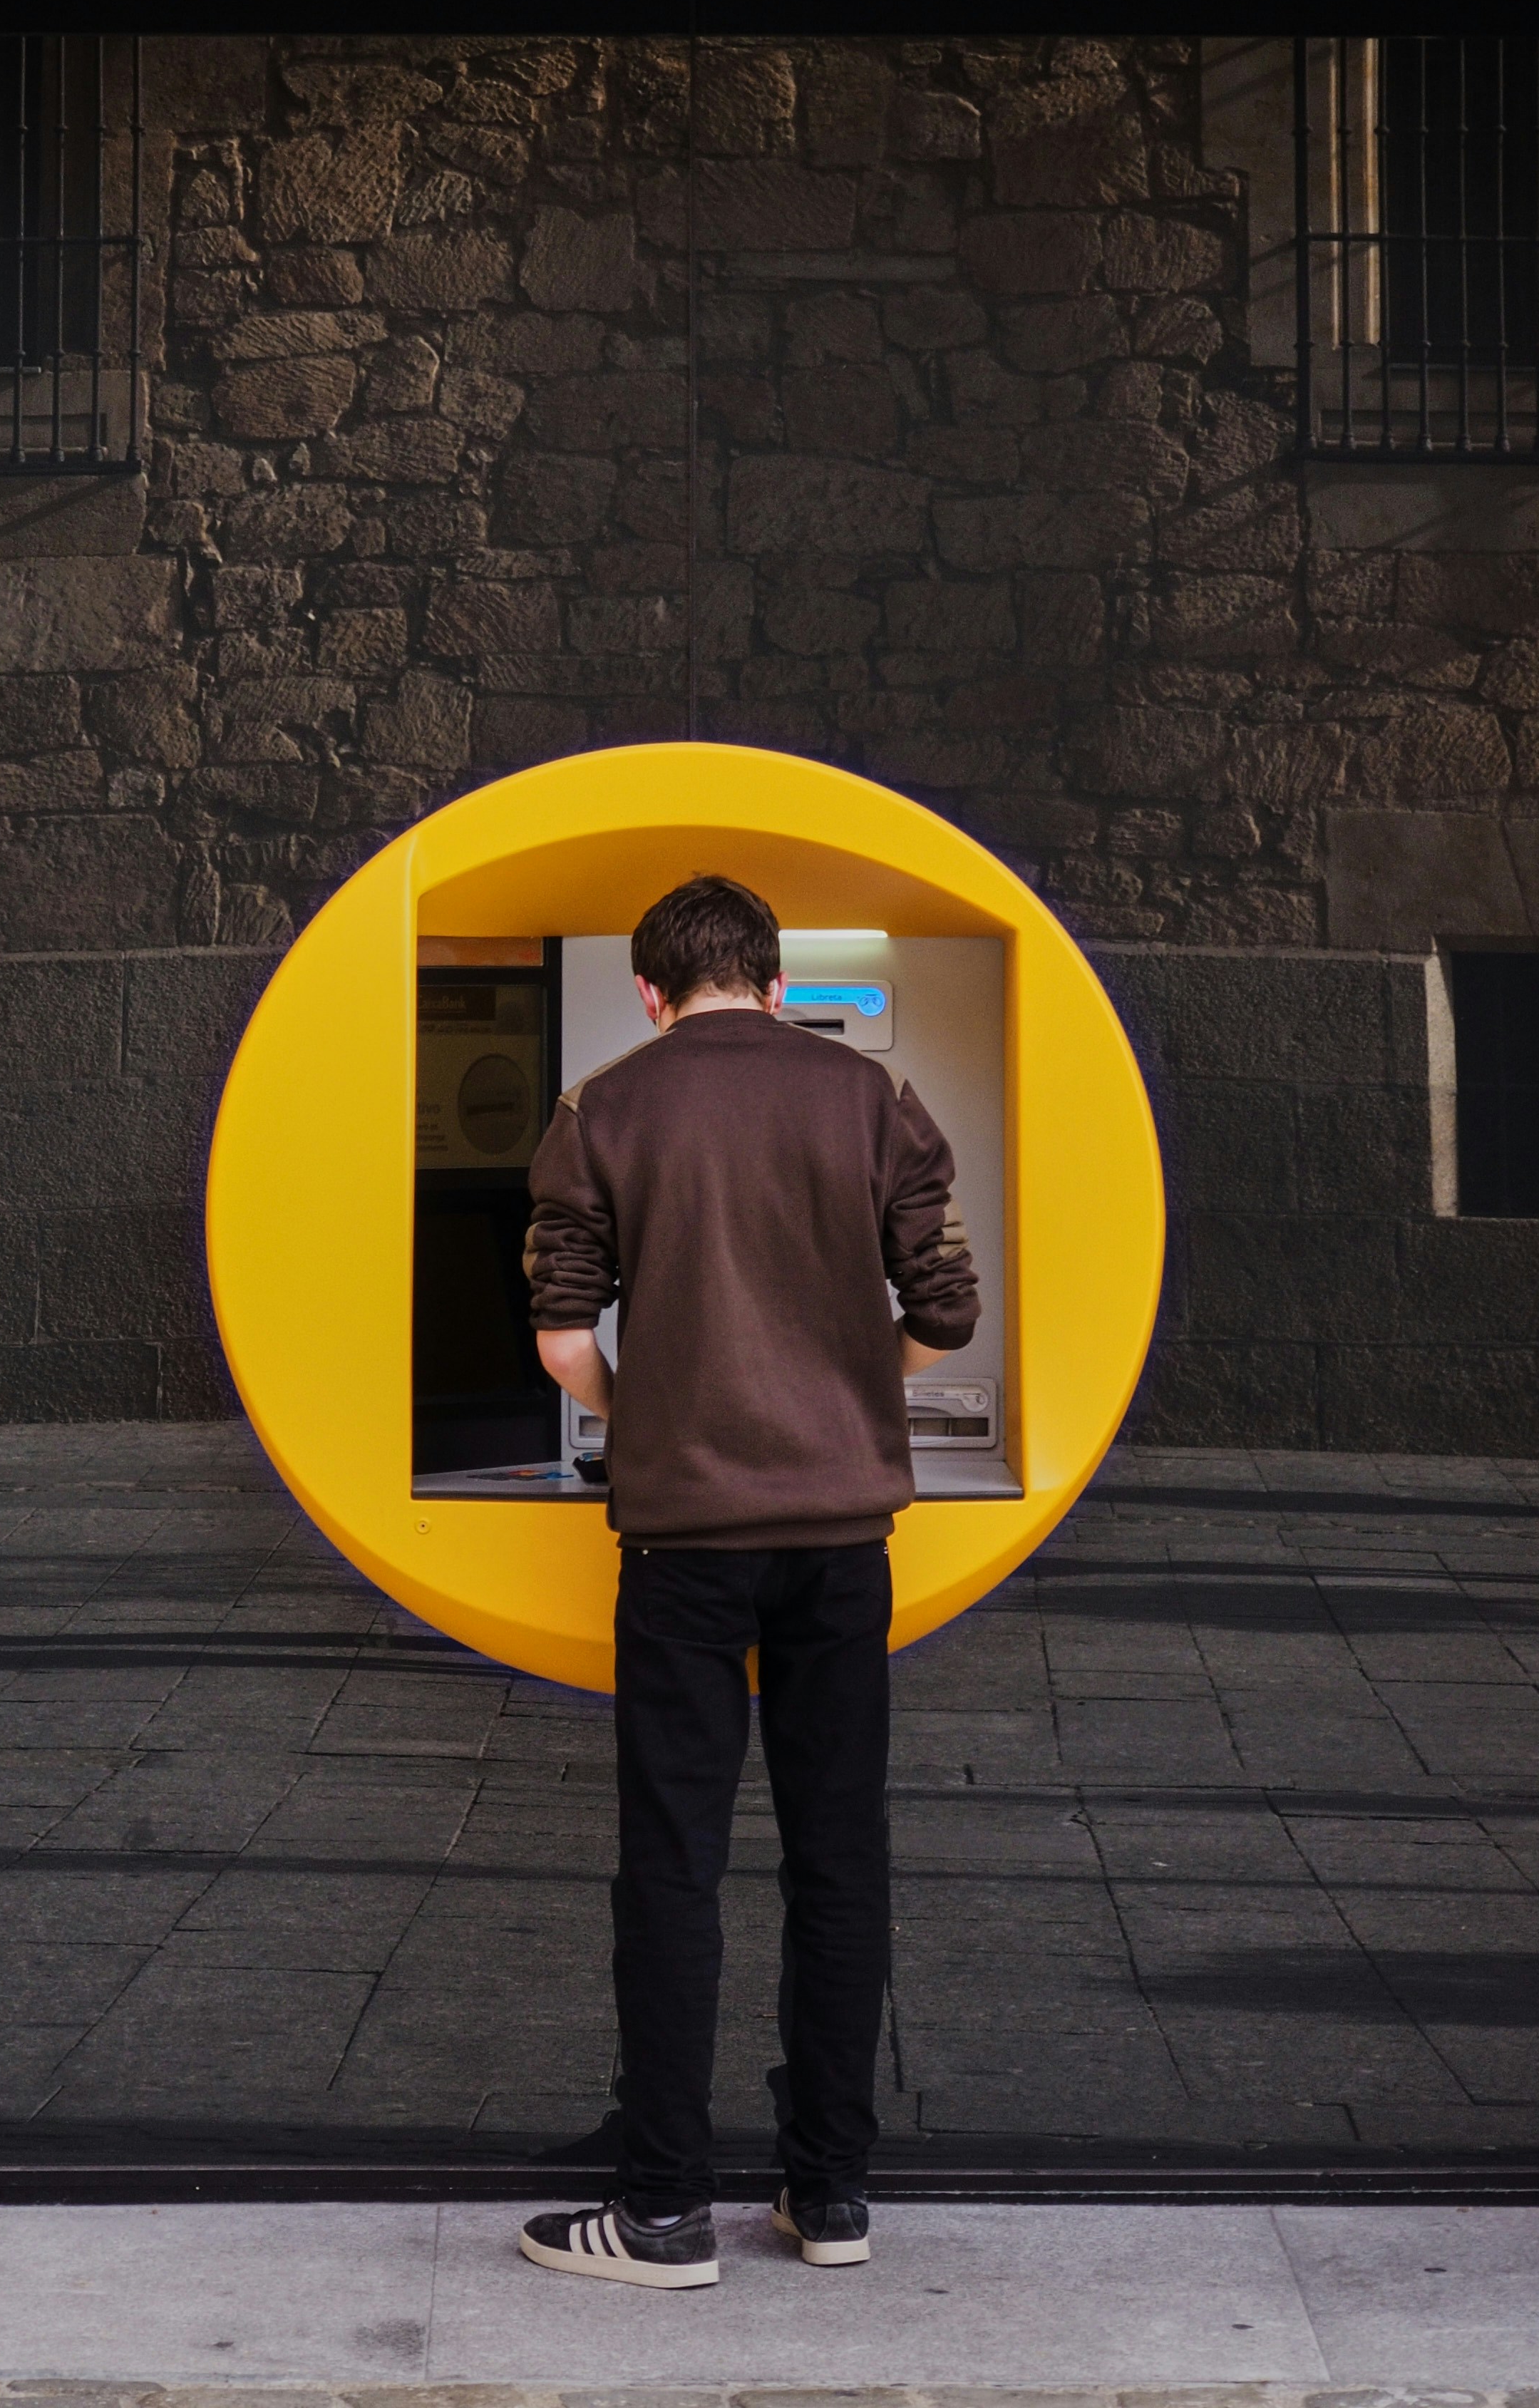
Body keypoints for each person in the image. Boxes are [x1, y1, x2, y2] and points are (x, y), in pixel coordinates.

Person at [514, 874, 981, 2289]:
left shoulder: (602, 1106)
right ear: (777, 985)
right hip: (842, 1544)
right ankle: (829, 2195)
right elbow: (948, 1311)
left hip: (684, 1548)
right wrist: (853, 1392)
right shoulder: (873, 1098)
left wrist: (648, 1415)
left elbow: (561, 1341)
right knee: (840, 1858)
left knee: (674, 1867)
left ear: (649, 993)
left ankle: (662, 2213)